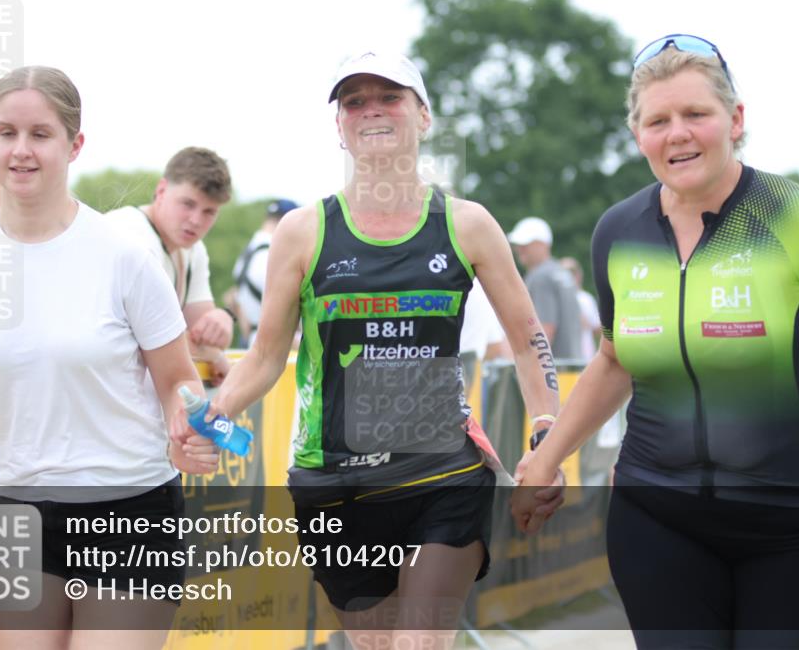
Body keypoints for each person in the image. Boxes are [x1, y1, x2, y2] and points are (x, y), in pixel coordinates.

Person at [189, 51, 562, 649]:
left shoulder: (467, 224)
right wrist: (212, 418)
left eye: (389, 97)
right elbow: (263, 358)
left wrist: (547, 434)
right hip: (334, 484)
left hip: (442, 473)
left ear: (424, 116)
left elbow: (527, 339)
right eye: (354, 101)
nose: (371, 111)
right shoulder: (304, 231)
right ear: (339, 126)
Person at [512, 34, 799, 649]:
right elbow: (615, 360)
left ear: (735, 120)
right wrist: (546, 460)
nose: (677, 133)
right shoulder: (618, 232)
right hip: (657, 517)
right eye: (658, 121)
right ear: (638, 136)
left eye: (696, 114)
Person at [0, 66, 218, 647]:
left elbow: (177, 381)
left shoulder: (123, 256)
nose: (21, 150)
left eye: (40, 134)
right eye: (7, 132)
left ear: (74, 144)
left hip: (130, 512)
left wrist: (190, 430)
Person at [104, 147, 234, 381]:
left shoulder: (193, 250)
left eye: (209, 212)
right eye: (188, 204)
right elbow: (157, 341)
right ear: (161, 190)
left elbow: (201, 334)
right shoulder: (131, 236)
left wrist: (222, 320)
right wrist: (215, 355)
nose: (196, 220)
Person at [507, 216, 583, 362]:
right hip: (573, 364)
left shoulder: (540, 277)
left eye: (526, 244)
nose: (519, 249)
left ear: (543, 244)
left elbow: (545, 330)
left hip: (553, 369)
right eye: (518, 244)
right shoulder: (562, 273)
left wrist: (527, 365)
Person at [228, 198, 300, 346]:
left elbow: (233, 298)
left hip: (254, 340)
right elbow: (283, 310)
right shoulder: (270, 255)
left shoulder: (249, 252)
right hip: (274, 344)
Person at [560, 256, 600, 362]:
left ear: (579, 275)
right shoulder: (556, 299)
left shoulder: (586, 298)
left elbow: (597, 328)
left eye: (572, 272)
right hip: (562, 357)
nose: (568, 276)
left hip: (585, 357)